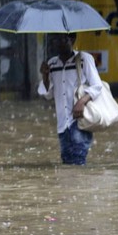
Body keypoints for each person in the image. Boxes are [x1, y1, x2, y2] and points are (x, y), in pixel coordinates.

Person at [38, 32, 102, 165]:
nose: (58, 43)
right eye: (55, 39)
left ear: (72, 39)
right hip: (62, 125)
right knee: (67, 166)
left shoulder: (84, 59)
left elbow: (97, 86)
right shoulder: (52, 64)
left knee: (77, 164)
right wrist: (45, 77)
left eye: (62, 39)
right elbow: (48, 95)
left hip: (80, 123)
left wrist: (81, 101)